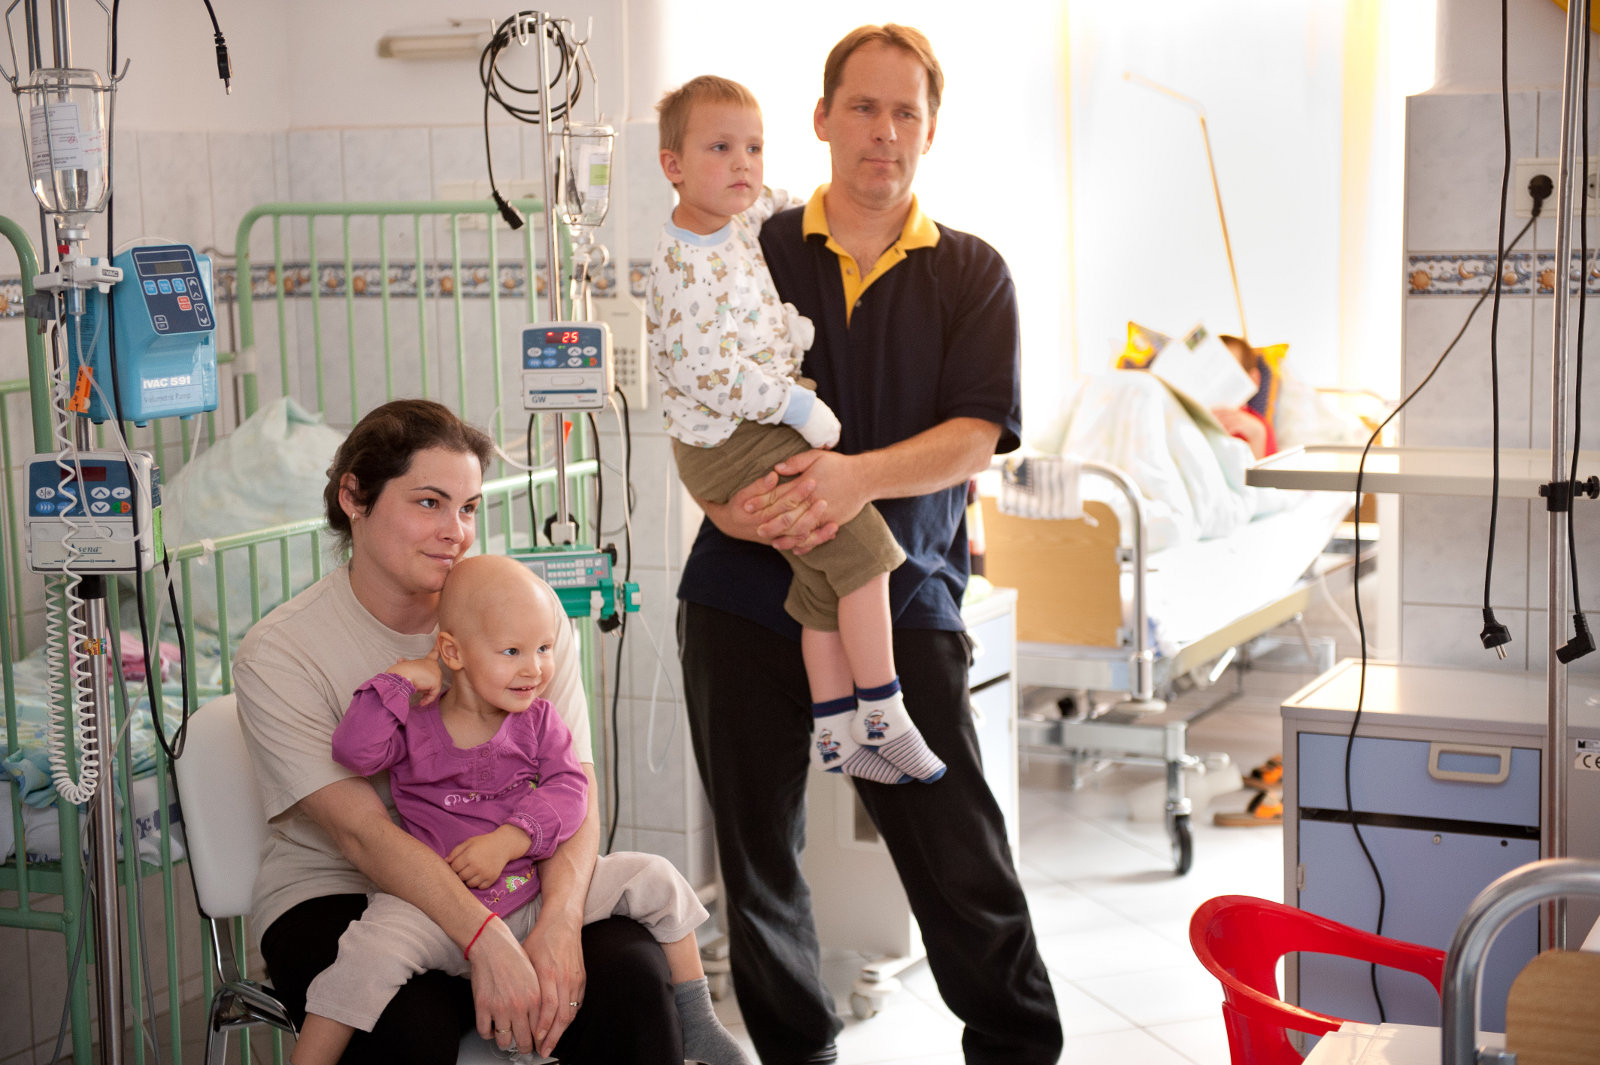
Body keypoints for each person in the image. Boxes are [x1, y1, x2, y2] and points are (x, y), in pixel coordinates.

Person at [675, 24, 1064, 1065]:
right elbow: (688, 379)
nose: (883, 131)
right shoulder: (754, 249)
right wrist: (722, 509)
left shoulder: (972, 272)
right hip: (741, 592)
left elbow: (975, 434)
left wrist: (854, 479)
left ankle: (1019, 1047)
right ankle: (798, 1053)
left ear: (930, 132)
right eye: (863, 107)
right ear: (822, 118)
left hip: (901, 599)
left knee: (958, 853)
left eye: (904, 113)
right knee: (758, 864)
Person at [234, 399, 683, 1064]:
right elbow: (364, 835)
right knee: (408, 1030)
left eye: (468, 507)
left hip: (512, 869)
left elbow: (573, 787)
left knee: (634, 981)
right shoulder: (281, 653)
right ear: (354, 497)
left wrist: (559, 924)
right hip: (340, 887)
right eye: (429, 503)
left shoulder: (522, 618)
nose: (456, 532)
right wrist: (486, 939)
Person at [287, 554, 748, 1065]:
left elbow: (571, 789)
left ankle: (699, 1023)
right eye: (512, 651)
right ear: (453, 652)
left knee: (656, 879)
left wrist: (511, 839)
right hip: (439, 913)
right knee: (362, 958)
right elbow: (355, 753)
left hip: (531, 890)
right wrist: (398, 683)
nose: (535, 668)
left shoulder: (539, 721)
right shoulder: (416, 723)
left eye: (544, 648)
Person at [647, 74, 943, 787]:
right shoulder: (684, 263)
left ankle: (835, 728)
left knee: (820, 578)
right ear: (673, 165)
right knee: (865, 553)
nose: (744, 165)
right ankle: (884, 712)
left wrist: (800, 199)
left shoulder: (734, 220)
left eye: (753, 148)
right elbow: (709, 372)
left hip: (740, 430)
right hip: (732, 436)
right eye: (721, 149)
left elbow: (771, 200)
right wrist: (796, 407)